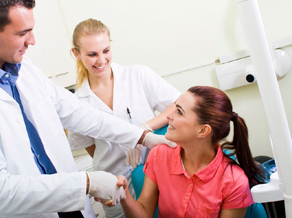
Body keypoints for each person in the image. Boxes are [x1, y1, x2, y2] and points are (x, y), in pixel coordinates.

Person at [0, 1, 176, 217]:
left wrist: (143, 136)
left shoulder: (25, 70)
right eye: (22, 33)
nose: (33, 40)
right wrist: (87, 182)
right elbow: (3, 192)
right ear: (77, 54)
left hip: (74, 208)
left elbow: (81, 114)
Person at [68, 19, 181, 218]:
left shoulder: (137, 75)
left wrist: (144, 130)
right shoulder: (77, 102)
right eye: (92, 54)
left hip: (157, 176)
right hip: (115, 187)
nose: (101, 60)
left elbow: (178, 105)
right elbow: (93, 149)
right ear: (76, 54)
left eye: (106, 50)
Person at [114, 86, 263, 218]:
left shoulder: (234, 181)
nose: (169, 116)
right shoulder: (158, 155)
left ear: (203, 130)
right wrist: (124, 195)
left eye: (179, 112)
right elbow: (144, 213)